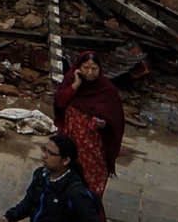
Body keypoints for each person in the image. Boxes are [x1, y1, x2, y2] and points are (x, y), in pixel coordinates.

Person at [52, 51, 125, 202]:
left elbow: (115, 119)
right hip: (69, 139)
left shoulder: (107, 90)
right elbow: (59, 103)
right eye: (85, 68)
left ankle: (88, 207)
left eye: (94, 69)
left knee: (89, 178)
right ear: (78, 67)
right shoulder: (71, 80)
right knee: (65, 170)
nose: (90, 73)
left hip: (92, 147)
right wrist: (75, 86)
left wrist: (104, 123)